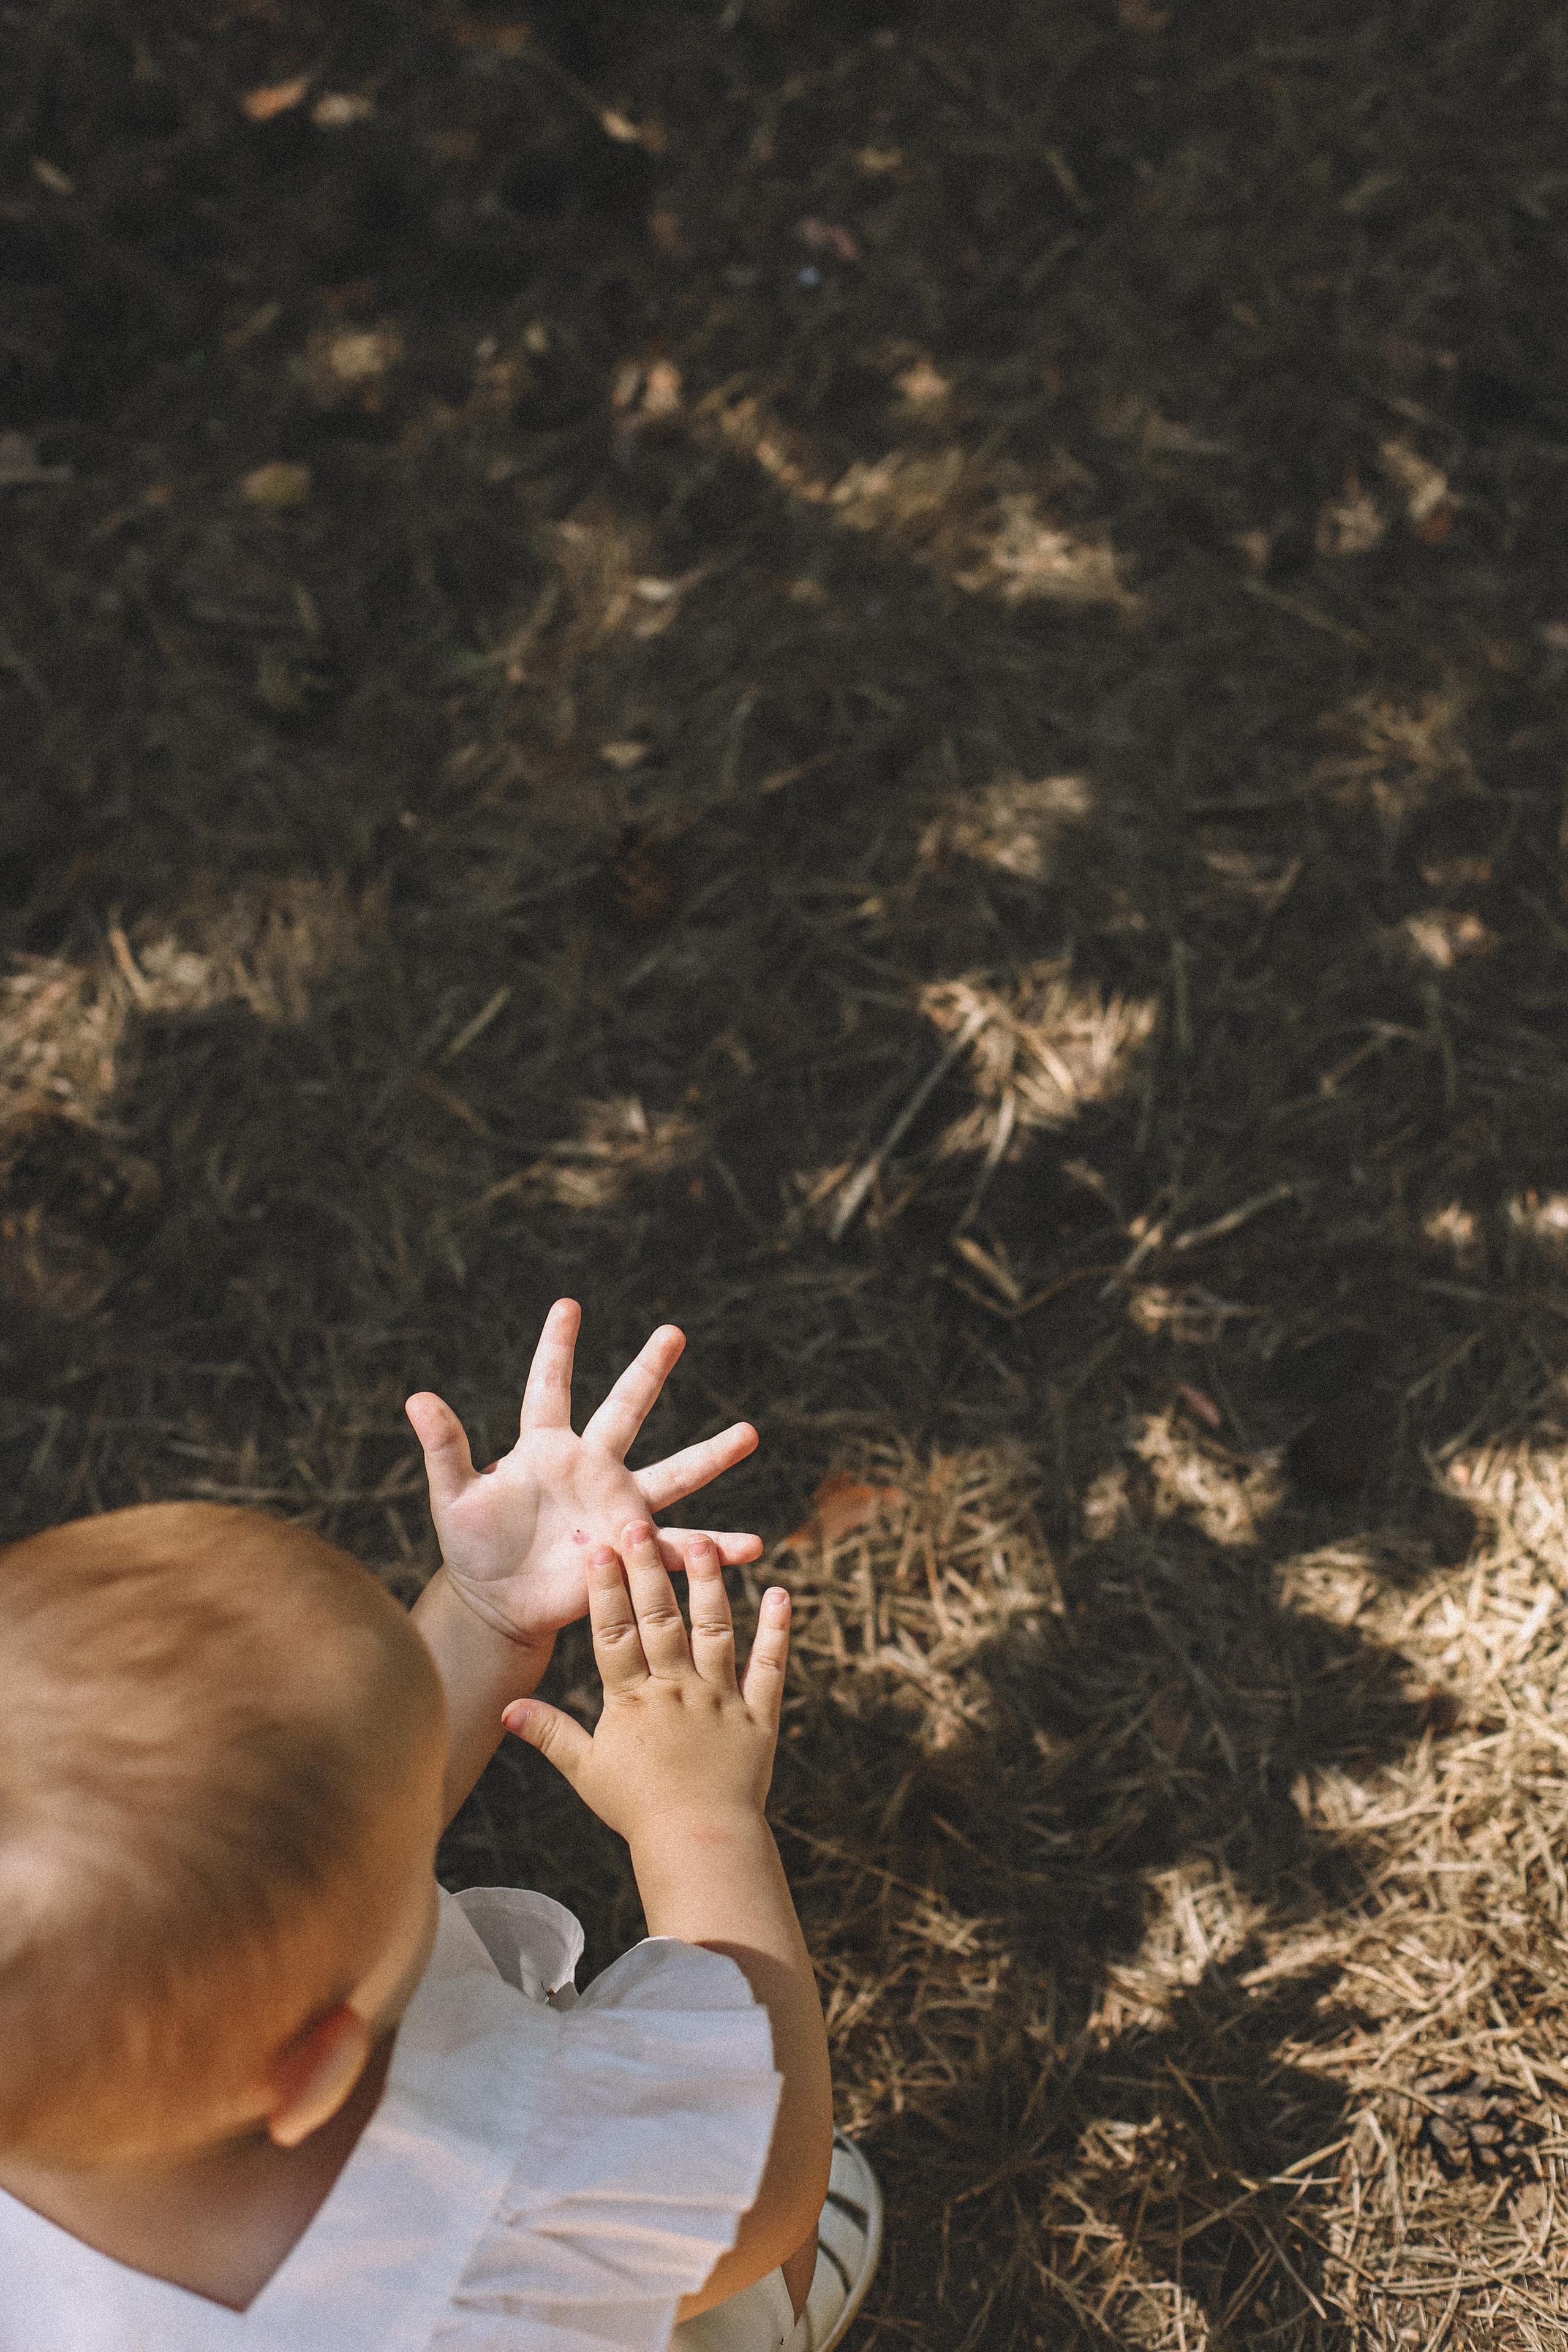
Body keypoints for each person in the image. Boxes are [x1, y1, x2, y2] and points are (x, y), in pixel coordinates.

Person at [0, 1300, 881, 2351]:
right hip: (583, 2269)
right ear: (317, 2070)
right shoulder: (484, 2204)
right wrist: (699, 1825)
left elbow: (354, 1822)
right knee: (702, 2277)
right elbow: (768, 2171)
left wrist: (483, 1616)